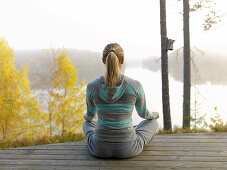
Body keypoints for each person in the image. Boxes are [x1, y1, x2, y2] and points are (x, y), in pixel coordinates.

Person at [82, 43, 159, 159]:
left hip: (99, 149)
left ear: (103, 60)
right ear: (122, 60)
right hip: (129, 149)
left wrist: (86, 118)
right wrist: (154, 115)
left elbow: (90, 116)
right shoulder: (135, 85)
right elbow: (144, 114)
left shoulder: (92, 87)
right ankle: (131, 130)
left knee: (86, 124)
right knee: (153, 122)